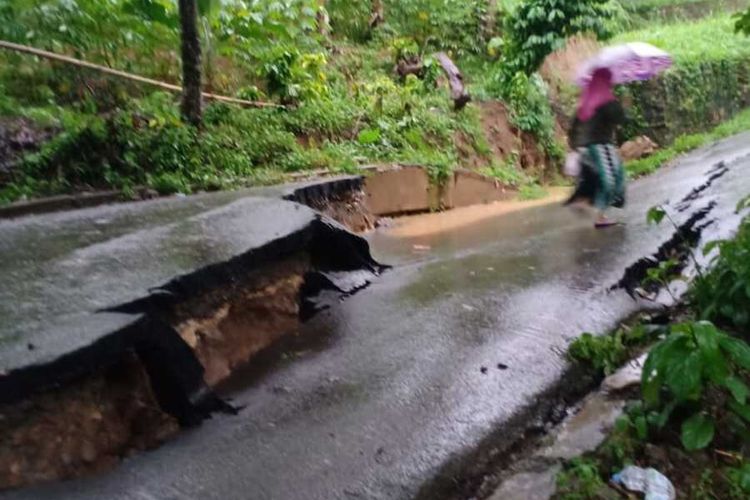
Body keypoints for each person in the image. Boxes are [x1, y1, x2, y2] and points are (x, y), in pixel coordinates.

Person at [566, 68, 626, 228]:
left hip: (585, 148)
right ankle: (598, 214)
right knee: (611, 179)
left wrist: (574, 147)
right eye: (609, 80)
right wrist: (623, 103)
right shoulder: (606, 101)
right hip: (600, 145)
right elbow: (620, 118)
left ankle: (584, 202)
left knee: (600, 178)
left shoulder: (586, 101)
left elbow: (573, 127)